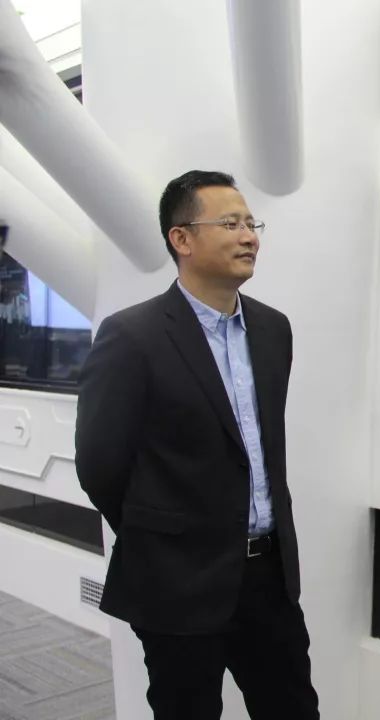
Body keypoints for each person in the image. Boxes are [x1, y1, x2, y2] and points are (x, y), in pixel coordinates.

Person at [75, 170, 319, 720]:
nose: (249, 236)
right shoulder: (132, 336)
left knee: (294, 709)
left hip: (267, 577)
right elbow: (99, 464)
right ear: (181, 239)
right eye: (230, 224)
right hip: (176, 581)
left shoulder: (273, 329)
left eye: (252, 224)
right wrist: (164, 536)